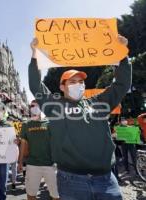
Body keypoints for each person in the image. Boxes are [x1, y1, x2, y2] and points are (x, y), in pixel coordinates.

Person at [29, 35, 131, 199]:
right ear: (62, 87)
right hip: (70, 181)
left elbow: (122, 84)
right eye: (72, 82)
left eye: (81, 82)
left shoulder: (100, 102)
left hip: (106, 181)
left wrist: (122, 55)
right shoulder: (54, 106)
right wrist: (35, 56)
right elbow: (35, 84)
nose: (79, 85)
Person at [18, 100, 59, 200]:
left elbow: (57, 142)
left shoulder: (50, 123)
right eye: (32, 105)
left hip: (50, 164)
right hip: (32, 164)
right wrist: (20, 162)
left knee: (56, 195)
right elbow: (23, 144)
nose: (34, 107)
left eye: (37, 105)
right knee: (31, 195)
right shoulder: (26, 124)